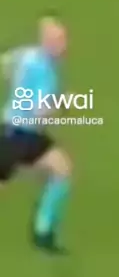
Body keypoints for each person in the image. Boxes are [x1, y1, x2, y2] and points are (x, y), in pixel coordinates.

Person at [0, 14, 72, 252]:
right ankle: (43, 231)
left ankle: (43, 232)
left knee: (62, 169)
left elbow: (5, 65)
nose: (64, 46)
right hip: (16, 135)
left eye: (64, 39)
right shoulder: (46, 72)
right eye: (59, 41)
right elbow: (41, 113)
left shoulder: (26, 55)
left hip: (23, 133)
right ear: (48, 42)